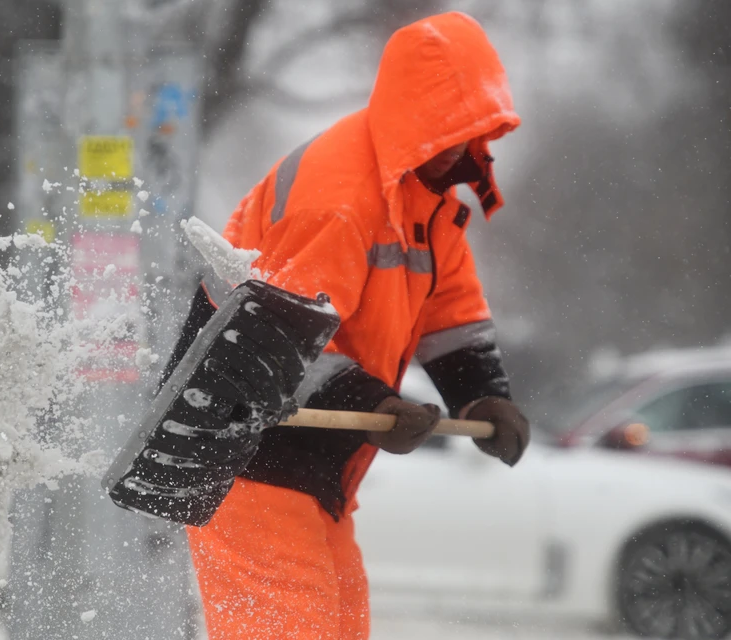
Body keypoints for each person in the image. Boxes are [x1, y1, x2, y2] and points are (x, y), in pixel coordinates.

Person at [173, 12, 532, 640]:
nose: (470, 145)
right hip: (246, 455)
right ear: (421, 119)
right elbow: (270, 344)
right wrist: (373, 403)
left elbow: (451, 313)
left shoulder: (428, 203)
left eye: (479, 128)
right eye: (458, 127)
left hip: (314, 464)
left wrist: (483, 392)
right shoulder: (337, 200)